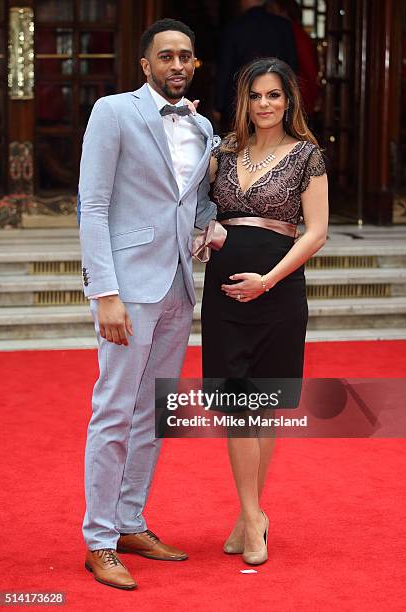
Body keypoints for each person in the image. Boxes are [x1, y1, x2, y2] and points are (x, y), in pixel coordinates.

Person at [79, 18, 216, 590]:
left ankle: (131, 520)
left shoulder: (204, 125)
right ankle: (99, 539)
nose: (177, 65)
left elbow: (196, 203)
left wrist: (210, 231)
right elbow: (93, 204)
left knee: (154, 415)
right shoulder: (113, 112)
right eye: (166, 57)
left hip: (179, 288)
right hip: (128, 289)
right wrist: (105, 292)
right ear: (146, 64)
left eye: (186, 56)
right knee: (114, 409)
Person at [201, 57, 328, 565]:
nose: (265, 104)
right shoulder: (224, 152)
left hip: (278, 292)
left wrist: (269, 280)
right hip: (226, 295)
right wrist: (200, 233)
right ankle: (254, 517)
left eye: (274, 95)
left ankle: (249, 516)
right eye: (256, 96)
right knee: (236, 404)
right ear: (244, 102)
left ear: (289, 100)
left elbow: (317, 231)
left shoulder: (307, 155)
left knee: (264, 403)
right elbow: (196, 205)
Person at [214, 0, 297, 131]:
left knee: (241, 144)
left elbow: (224, 70)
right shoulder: (283, 26)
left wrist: (219, 106)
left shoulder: (234, 27)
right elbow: (292, 69)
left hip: (239, 103)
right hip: (275, 100)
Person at [267, 0, 320, 117]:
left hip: (297, 96)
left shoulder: (294, 33)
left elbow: (310, 70)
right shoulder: (292, 32)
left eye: (272, 8)